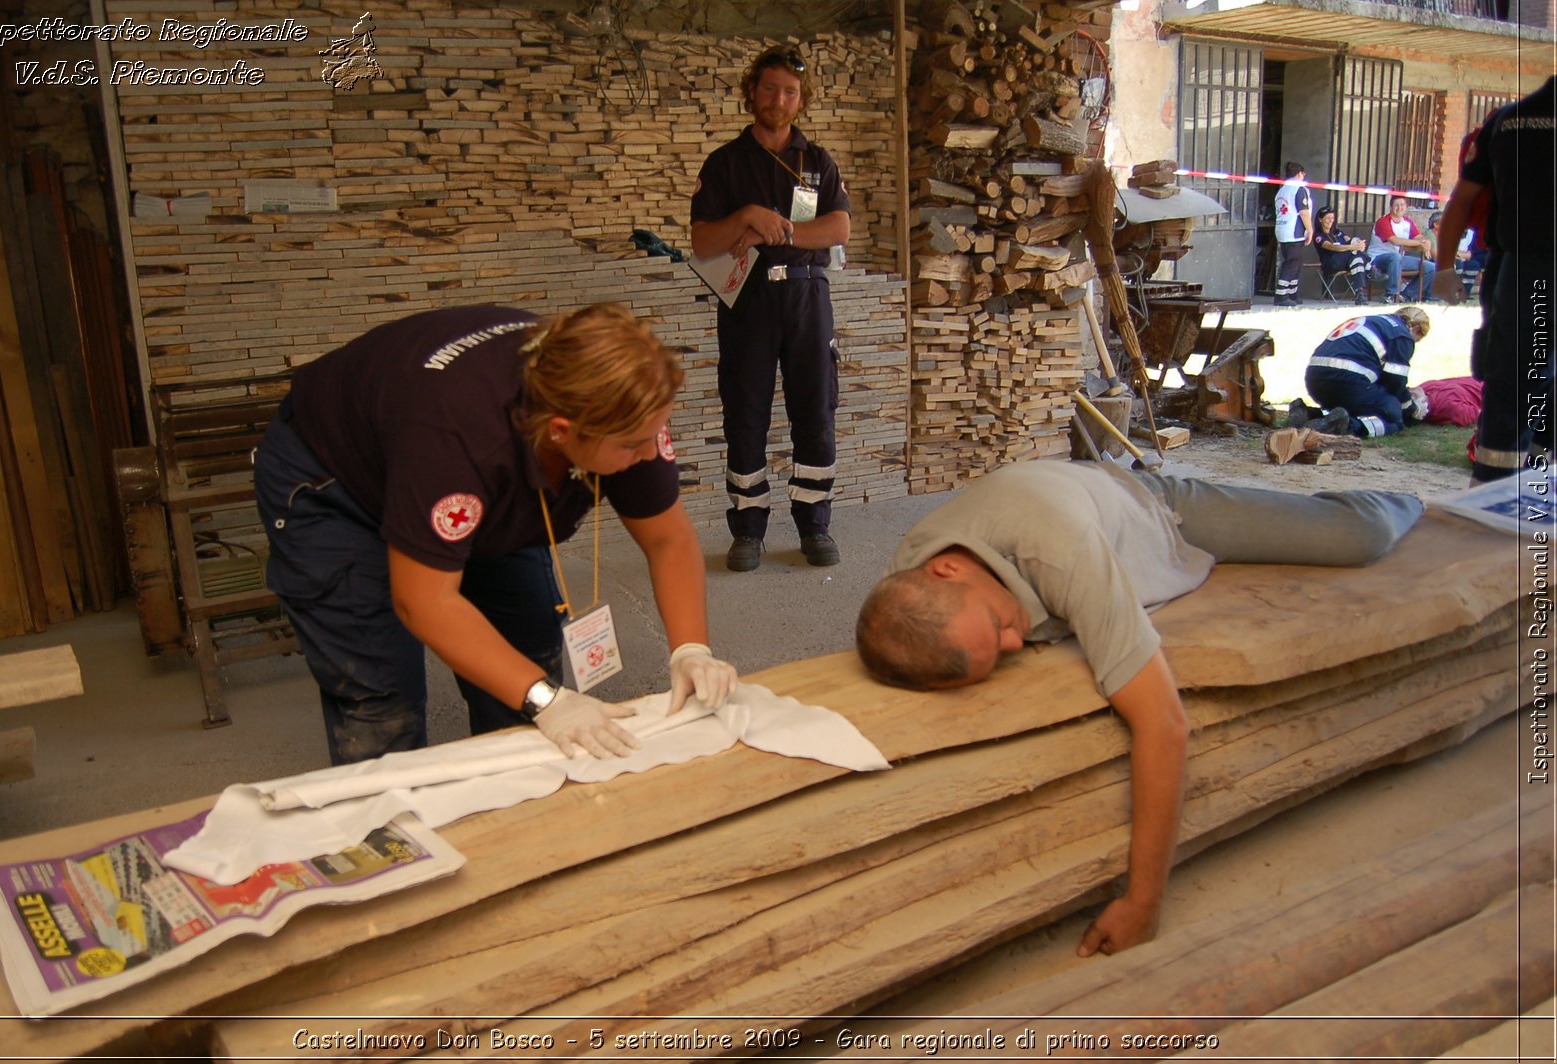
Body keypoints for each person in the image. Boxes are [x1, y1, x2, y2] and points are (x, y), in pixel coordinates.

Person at [856, 460, 1423, 956]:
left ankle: (1415, 499)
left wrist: (1144, 901)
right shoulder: (908, 591)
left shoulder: (1058, 548)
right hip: (1073, 507)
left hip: (1153, 508)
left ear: (950, 569)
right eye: (998, 650)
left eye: (1000, 627)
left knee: (1359, 536)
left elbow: (1164, 724)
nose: (1013, 645)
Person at [253, 302, 739, 766]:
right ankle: (395, 837)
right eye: (634, 445)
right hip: (338, 482)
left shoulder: (624, 412)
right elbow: (423, 602)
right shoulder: (458, 439)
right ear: (561, 432)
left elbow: (668, 540)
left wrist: (691, 650)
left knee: (526, 659)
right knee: (382, 698)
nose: (650, 457)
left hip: (470, 464)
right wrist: (547, 701)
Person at [690, 45, 851, 573]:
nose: (779, 100)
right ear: (751, 92)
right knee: (746, 412)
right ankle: (749, 529)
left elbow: (839, 228)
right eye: (769, 88)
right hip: (749, 300)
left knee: (815, 410)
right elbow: (702, 241)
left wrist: (774, 230)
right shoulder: (725, 164)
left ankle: (816, 524)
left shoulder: (817, 161)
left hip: (807, 295)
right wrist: (748, 215)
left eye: (790, 92)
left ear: (800, 100)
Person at [1431, 76, 1555, 484]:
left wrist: (1446, 266)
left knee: (1513, 379)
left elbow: (1461, 200)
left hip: (1520, 274)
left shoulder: (1505, 120)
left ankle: (1492, 490)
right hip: (1526, 271)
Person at [1304, 307, 1431, 438]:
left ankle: (1309, 415)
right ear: (1416, 329)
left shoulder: (1374, 321)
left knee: (1352, 406)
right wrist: (1412, 409)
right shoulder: (1402, 335)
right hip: (1347, 380)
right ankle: (1348, 426)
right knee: (1393, 415)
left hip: (1315, 378)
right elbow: (1395, 382)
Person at [1368, 195, 1437, 303]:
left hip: (1399, 259)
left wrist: (1426, 242)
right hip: (1378, 259)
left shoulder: (1407, 222)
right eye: (1396, 205)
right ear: (1390, 207)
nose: (1399, 208)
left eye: (1402, 205)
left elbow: (1419, 237)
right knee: (1396, 257)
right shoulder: (1383, 221)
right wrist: (1420, 243)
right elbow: (1395, 240)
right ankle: (1391, 294)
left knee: (1432, 267)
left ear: (1406, 207)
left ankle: (1406, 296)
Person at [1310, 206, 1374, 304]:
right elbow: (1333, 247)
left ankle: (1359, 293)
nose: (1331, 220)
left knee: (1356, 259)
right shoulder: (1318, 236)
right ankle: (1370, 269)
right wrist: (1353, 247)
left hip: (1346, 262)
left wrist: (1359, 243)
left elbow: (1350, 240)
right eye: (1328, 218)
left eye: (1332, 218)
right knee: (1354, 254)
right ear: (1320, 219)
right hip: (1331, 264)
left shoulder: (1337, 232)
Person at [1272, 161, 1312, 306]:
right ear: (1299, 173)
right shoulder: (1299, 189)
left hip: (1282, 229)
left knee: (1295, 262)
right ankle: (1281, 295)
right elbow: (1304, 213)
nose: (1304, 176)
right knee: (1292, 263)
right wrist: (1310, 230)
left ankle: (1292, 293)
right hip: (1294, 231)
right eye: (1303, 173)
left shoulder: (1282, 190)